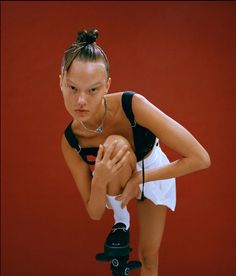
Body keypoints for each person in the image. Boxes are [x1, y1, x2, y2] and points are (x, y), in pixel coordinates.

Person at [59, 29, 211, 276]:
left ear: (107, 85)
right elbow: (95, 212)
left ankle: (127, 217)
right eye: (73, 88)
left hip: (154, 172)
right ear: (60, 82)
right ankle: (122, 222)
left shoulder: (133, 105)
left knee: (149, 257)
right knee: (113, 145)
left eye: (93, 90)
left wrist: (139, 180)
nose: (81, 101)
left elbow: (201, 159)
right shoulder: (70, 141)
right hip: (112, 180)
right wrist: (98, 180)